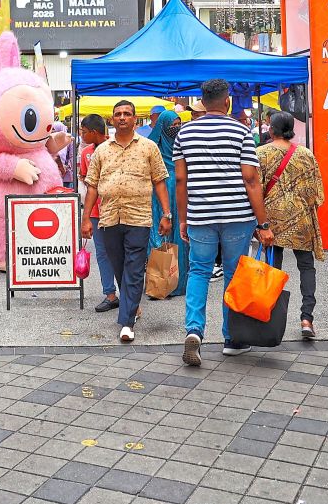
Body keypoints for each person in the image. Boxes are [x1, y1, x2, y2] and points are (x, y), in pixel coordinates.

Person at [173, 79, 273, 364]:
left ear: (202, 102)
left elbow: (181, 179)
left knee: (199, 272)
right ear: (227, 101)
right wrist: (263, 223)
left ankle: (194, 331)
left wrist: (183, 218)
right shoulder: (241, 131)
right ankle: (232, 338)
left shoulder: (185, 133)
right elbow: (251, 179)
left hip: (200, 216)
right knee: (233, 274)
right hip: (237, 216)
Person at [81, 100, 171, 344]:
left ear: (134, 119)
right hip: (109, 217)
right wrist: (86, 219)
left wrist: (166, 213)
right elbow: (92, 187)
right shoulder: (102, 151)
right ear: (112, 119)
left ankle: (126, 322)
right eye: (118, 114)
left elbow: (160, 181)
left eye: (127, 114)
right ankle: (132, 306)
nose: (122, 117)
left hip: (139, 216)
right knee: (119, 266)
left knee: (133, 266)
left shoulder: (149, 147)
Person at [256, 112, 325, 340]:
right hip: (302, 220)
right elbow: (318, 195)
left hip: (271, 221)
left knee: (272, 268)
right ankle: (307, 319)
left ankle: (269, 315)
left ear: (271, 129)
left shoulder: (261, 154)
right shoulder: (306, 154)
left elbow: (254, 189)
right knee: (306, 267)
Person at [78, 114, 119, 313]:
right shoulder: (85, 153)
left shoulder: (115, 147)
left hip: (117, 209)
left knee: (121, 252)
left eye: (84, 132)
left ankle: (129, 293)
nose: (82, 135)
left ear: (94, 132)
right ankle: (110, 294)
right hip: (95, 211)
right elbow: (86, 181)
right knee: (102, 253)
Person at [147, 109, 189, 297]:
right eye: (172, 125)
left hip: (180, 196)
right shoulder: (152, 151)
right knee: (159, 236)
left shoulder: (183, 147)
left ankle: (178, 283)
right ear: (163, 127)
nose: (176, 128)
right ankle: (159, 284)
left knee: (181, 237)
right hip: (160, 195)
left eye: (178, 124)